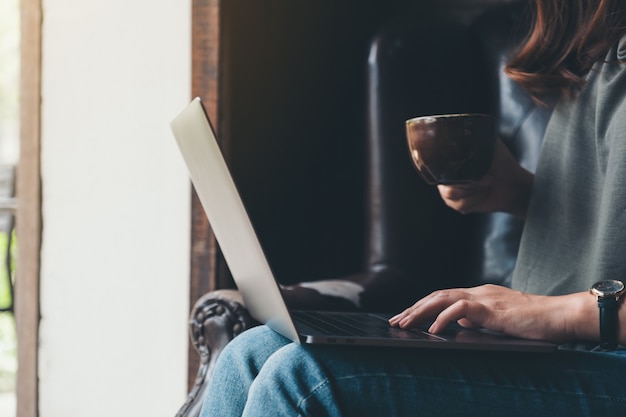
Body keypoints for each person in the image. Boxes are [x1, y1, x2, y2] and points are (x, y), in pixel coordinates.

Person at [199, 0, 626, 415]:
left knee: (304, 379)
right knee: (250, 353)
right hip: (566, 352)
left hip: (607, 360)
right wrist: (514, 192)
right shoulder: (598, 40)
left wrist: (559, 312)